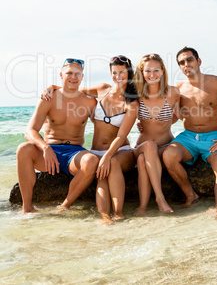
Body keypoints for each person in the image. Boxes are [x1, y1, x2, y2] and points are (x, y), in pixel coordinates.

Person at [42, 55, 139, 222]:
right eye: (114, 72)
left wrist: (108, 156)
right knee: (101, 175)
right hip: (96, 150)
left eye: (122, 72)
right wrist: (52, 87)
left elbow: (122, 135)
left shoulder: (132, 103)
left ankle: (119, 213)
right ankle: (104, 216)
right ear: (110, 73)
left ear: (129, 73)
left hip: (120, 150)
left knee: (112, 164)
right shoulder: (102, 89)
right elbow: (73, 89)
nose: (118, 76)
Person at [162, 46, 217, 217]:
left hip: (213, 137)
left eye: (189, 59)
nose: (186, 64)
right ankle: (190, 195)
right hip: (187, 137)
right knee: (168, 155)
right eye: (181, 62)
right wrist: (147, 126)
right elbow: (173, 118)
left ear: (198, 61)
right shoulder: (177, 88)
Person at [17, 58, 99, 214]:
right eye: (69, 73)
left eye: (77, 74)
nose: (73, 77)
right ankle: (27, 208)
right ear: (61, 75)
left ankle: (64, 206)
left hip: (74, 153)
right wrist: (45, 147)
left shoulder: (89, 102)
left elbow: (105, 126)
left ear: (82, 77)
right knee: (23, 149)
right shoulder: (49, 98)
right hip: (49, 151)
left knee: (91, 160)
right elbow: (30, 130)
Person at [133, 53, 180, 215]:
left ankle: (143, 207)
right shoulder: (136, 95)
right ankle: (160, 198)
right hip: (142, 145)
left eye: (156, 70)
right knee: (148, 147)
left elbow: (181, 116)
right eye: (147, 71)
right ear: (141, 72)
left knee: (141, 160)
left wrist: (164, 123)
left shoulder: (173, 93)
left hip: (165, 146)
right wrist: (52, 88)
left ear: (162, 71)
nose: (151, 74)